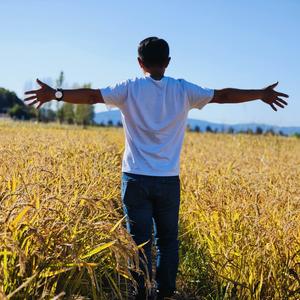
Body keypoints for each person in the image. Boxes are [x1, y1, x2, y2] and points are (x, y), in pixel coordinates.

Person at [24, 37, 289, 299]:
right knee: (168, 241)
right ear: (168, 62)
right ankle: (165, 294)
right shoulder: (184, 90)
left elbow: (93, 96)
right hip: (167, 180)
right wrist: (261, 94)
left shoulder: (128, 88)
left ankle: (139, 294)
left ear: (140, 62)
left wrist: (55, 94)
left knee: (138, 243)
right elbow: (223, 96)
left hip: (135, 179)